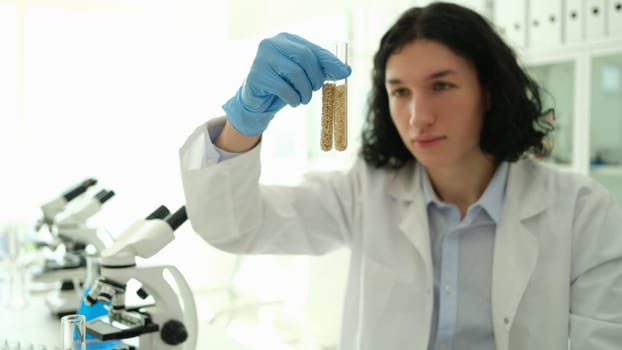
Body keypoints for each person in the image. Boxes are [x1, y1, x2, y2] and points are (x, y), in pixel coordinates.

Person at [179, 2, 622, 350]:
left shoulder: (579, 209)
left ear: (489, 91)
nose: (418, 117)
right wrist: (244, 123)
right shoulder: (364, 189)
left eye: (442, 86)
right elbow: (235, 227)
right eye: (400, 91)